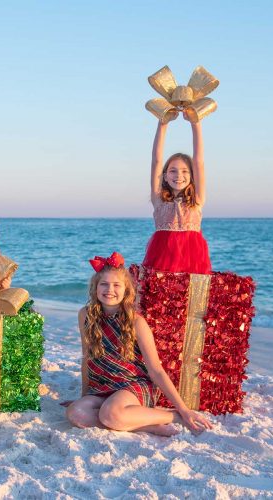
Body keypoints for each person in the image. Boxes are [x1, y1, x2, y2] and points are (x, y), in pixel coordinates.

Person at [64, 252, 212, 436]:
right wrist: (84, 396)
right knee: (75, 414)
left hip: (133, 384)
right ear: (95, 288)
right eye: (104, 284)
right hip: (102, 384)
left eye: (116, 285)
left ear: (126, 289)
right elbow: (87, 357)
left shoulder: (136, 322)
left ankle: (172, 416)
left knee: (110, 414)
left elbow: (156, 369)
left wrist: (183, 409)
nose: (109, 289)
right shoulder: (85, 315)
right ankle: (145, 425)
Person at [142, 118, 211, 274]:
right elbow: (156, 161)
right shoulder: (158, 199)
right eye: (173, 170)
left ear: (192, 176)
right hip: (161, 261)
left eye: (185, 171)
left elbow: (199, 161)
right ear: (165, 176)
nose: (179, 175)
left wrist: (195, 123)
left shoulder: (197, 200)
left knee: (193, 298)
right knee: (159, 297)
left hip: (194, 263)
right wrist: (162, 124)